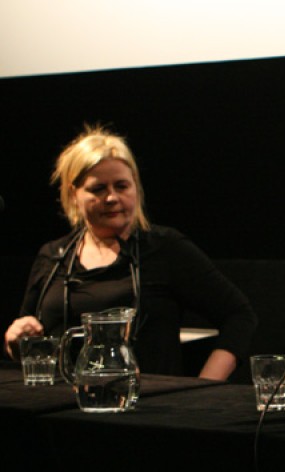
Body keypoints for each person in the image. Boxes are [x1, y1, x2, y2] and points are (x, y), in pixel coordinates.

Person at [4, 126, 257, 380]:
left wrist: (205, 388)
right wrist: (16, 342)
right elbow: (27, 342)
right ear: (73, 194)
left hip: (149, 411)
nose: (112, 197)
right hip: (58, 408)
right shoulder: (53, 256)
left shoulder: (165, 248)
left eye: (122, 186)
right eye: (98, 188)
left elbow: (239, 316)